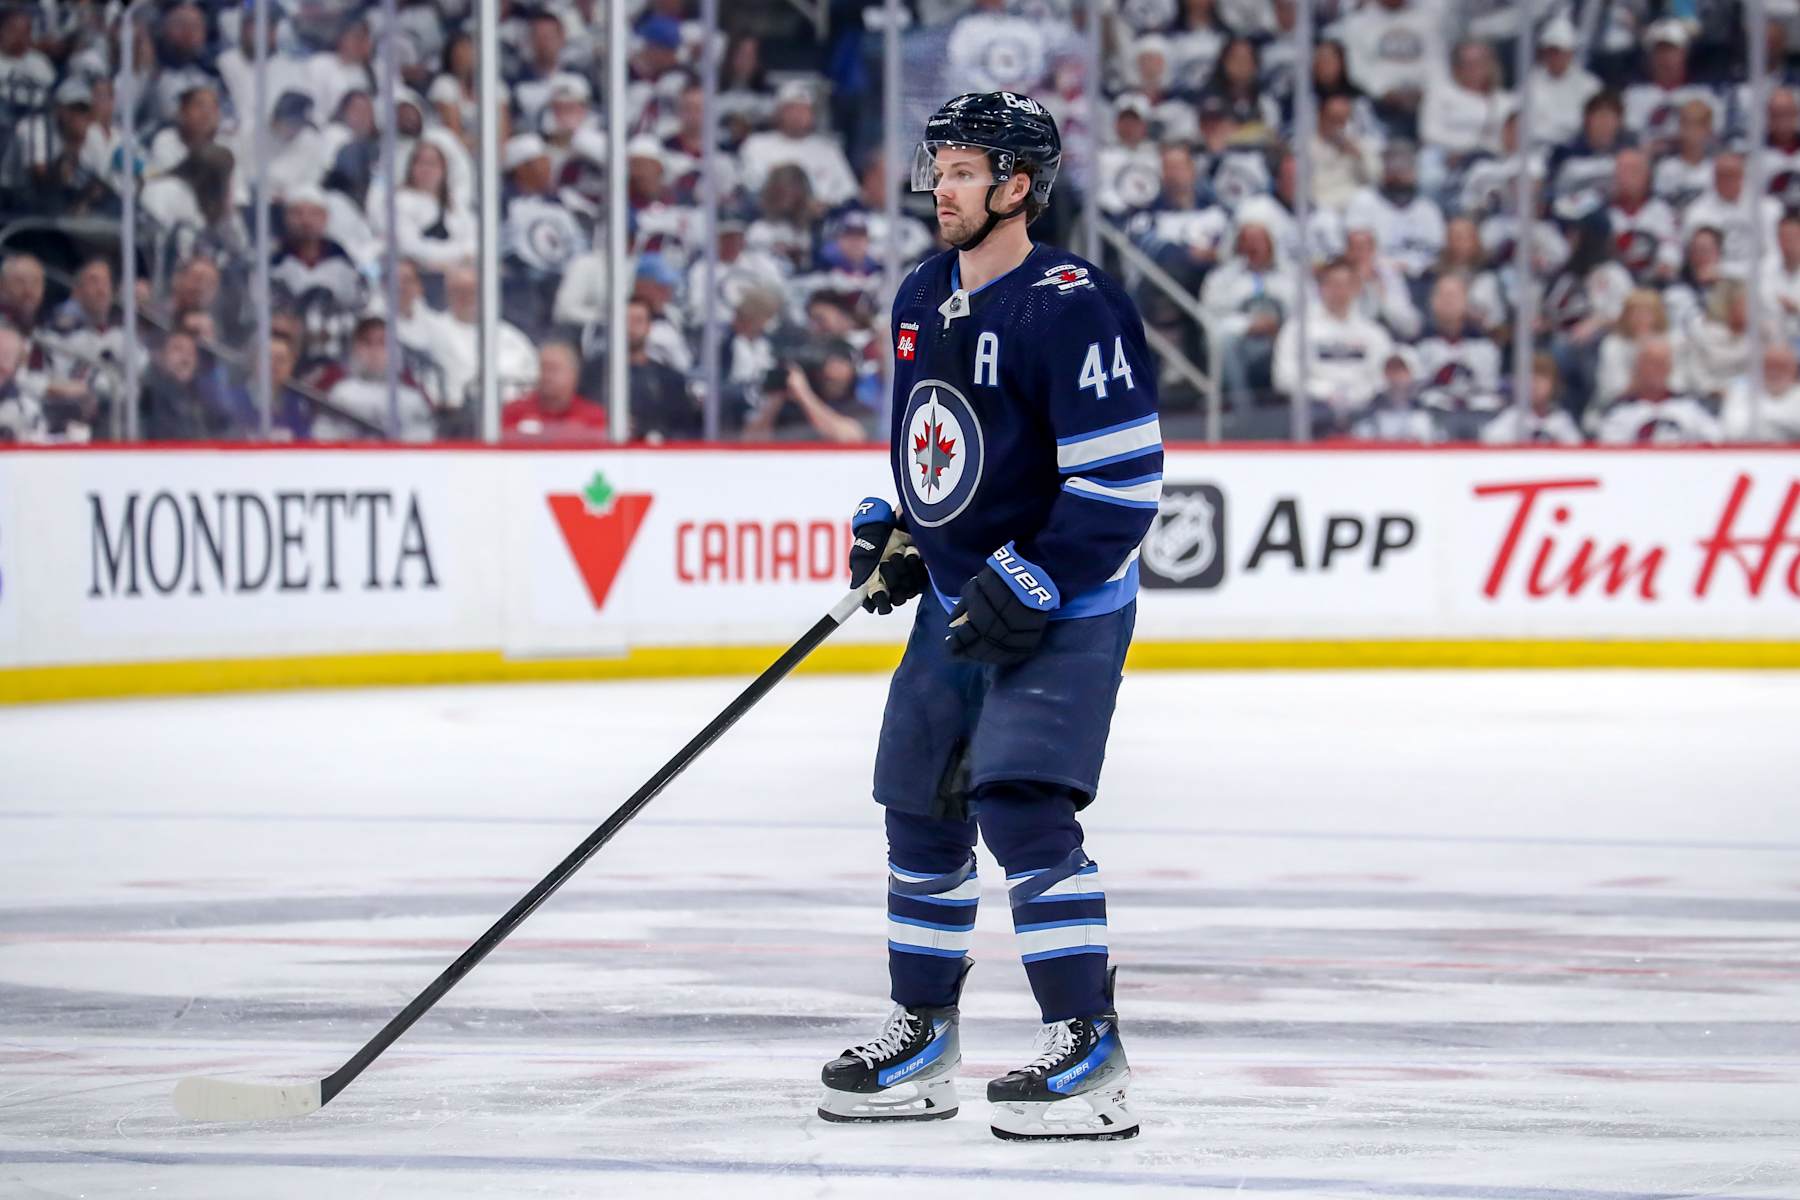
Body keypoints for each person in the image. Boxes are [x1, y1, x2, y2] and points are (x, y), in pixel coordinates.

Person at [819, 92, 1150, 1143]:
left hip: (1068, 602)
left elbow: (1120, 485)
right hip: (962, 604)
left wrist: (1043, 574)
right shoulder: (921, 293)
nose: (941, 187)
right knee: (918, 809)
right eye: (939, 167)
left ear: (1017, 186)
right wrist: (905, 528)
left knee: (1018, 808)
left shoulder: (1075, 303)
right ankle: (923, 1031)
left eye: (965, 170)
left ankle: (1088, 1047)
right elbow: (934, 444)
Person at [502, 341, 609, 440]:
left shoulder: (595, 419)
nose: (547, 376)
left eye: (553, 369)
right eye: (543, 368)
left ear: (573, 374)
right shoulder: (513, 413)